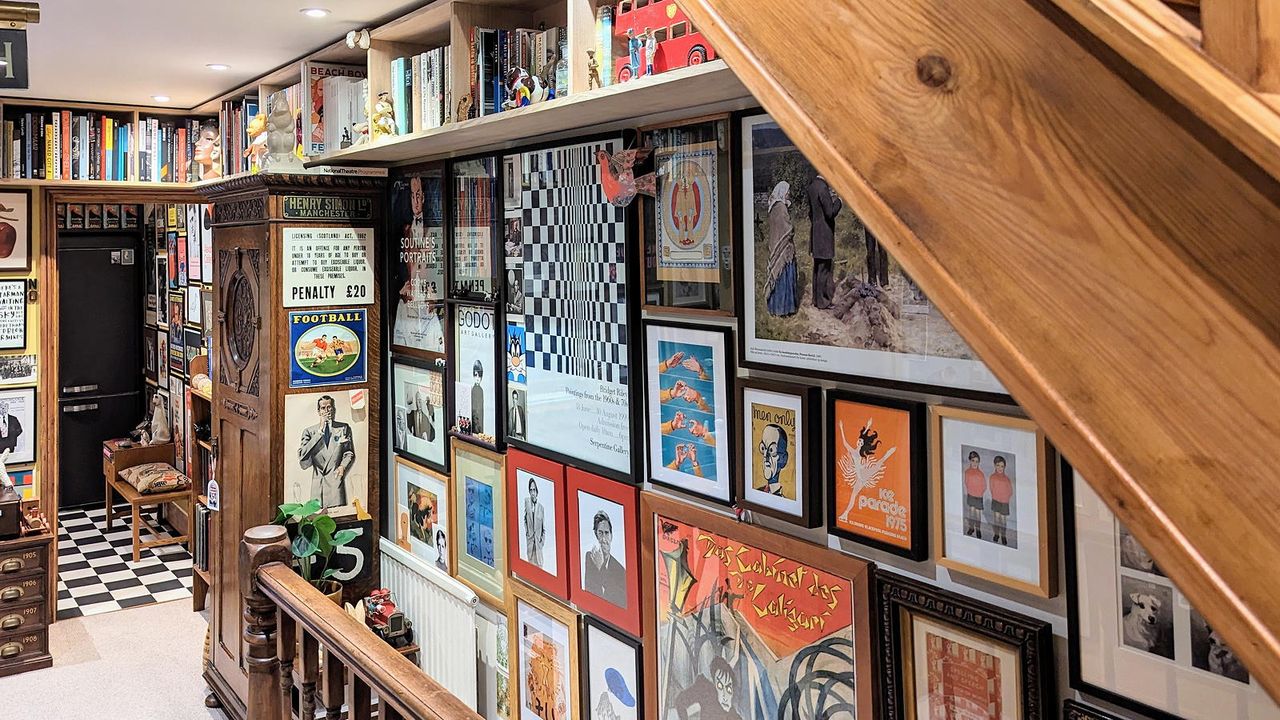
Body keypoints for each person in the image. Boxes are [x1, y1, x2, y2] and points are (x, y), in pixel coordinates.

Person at [296, 395, 355, 508]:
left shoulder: (343, 428)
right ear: (318, 411)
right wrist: (320, 432)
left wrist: (342, 466)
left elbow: (349, 452)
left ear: (334, 409)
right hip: (318, 488)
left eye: (329, 407)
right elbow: (302, 456)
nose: (327, 411)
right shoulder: (309, 432)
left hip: (335, 486)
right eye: (323, 408)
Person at [807, 175, 842, 309]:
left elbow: (811, 213)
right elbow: (830, 212)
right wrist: (839, 201)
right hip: (824, 233)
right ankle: (823, 302)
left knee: (817, 267)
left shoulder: (812, 186)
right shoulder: (822, 188)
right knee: (824, 268)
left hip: (816, 231)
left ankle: (816, 299)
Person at [764, 181, 798, 316]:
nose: (789, 193)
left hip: (775, 245)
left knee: (777, 276)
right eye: (787, 191)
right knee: (783, 276)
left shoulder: (773, 207)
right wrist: (792, 229)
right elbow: (786, 228)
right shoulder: (781, 208)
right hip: (783, 249)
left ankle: (775, 308)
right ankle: (784, 309)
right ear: (783, 191)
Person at [673, 656, 741, 720]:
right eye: (720, 686)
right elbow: (680, 701)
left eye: (728, 690)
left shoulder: (734, 715)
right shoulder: (705, 690)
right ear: (714, 685)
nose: (724, 696)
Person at [582, 511, 626, 607]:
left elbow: (618, 600)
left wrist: (600, 568)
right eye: (600, 533)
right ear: (596, 535)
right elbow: (592, 593)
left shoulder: (620, 570)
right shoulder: (590, 558)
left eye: (606, 533)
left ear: (611, 535)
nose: (604, 539)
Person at [756, 424, 789, 496]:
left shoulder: (783, 501)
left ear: (784, 459)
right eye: (763, 448)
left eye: (772, 450)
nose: (765, 455)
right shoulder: (756, 493)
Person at [988, 456, 1013, 545]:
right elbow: (991, 488)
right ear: (995, 466)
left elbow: (1010, 491)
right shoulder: (992, 477)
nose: (1000, 468)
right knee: (996, 519)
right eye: (998, 465)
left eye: (1002, 466)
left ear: (1004, 467)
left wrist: (1005, 498)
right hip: (996, 501)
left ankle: (1003, 536)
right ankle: (996, 534)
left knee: (1003, 520)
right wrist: (996, 496)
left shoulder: (1007, 479)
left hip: (1004, 502)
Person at [963, 450, 987, 540]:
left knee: (978, 514)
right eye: (973, 461)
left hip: (978, 496)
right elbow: (966, 482)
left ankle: (978, 529)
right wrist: (970, 490)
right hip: (971, 495)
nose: (975, 463)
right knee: (971, 512)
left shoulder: (980, 474)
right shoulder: (967, 472)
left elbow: (984, 485)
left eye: (977, 461)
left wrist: (980, 492)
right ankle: (971, 527)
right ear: (970, 461)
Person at [523, 477, 546, 566]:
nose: (532, 492)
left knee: (539, 567)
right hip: (530, 543)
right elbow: (525, 519)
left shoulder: (541, 507)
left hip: (538, 545)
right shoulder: (526, 502)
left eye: (534, 490)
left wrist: (541, 542)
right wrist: (528, 534)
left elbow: (544, 528)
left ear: (537, 491)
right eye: (531, 490)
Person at [470, 360, 486, 434]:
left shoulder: (481, 390)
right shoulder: (473, 389)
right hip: (474, 418)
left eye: (479, 376)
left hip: (480, 417)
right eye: (475, 375)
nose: (477, 378)